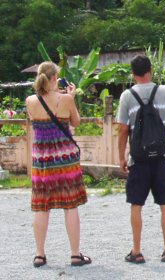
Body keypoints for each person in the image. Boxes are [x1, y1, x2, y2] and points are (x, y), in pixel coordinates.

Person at [25, 61, 91, 267]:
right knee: (70, 206)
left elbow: (35, 120)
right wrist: (70, 98)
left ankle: (39, 254)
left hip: (42, 160)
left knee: (41, 207)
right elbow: (76, 122)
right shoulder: (66, 99)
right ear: (55, 78)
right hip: (65, 160)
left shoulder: (30, 101)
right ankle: (74, 254)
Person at [117, 55, 165, 263]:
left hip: (139, 159)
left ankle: (136, 251)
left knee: (136, 204)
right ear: (151, 70)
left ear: (133, 73)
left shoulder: (127, 96)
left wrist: (122, 157)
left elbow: (123, 130)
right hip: (161, 157)